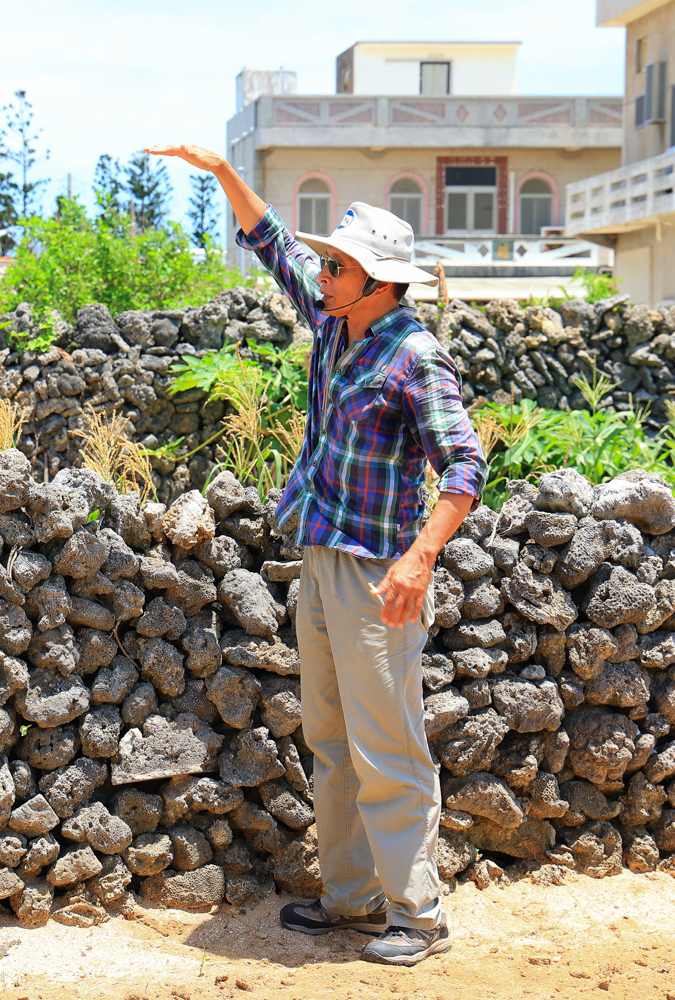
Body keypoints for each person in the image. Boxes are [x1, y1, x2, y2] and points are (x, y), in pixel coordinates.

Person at [146, 144, 487, 967]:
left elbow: (465, 465)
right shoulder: (337, 325)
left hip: (379, 575)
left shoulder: (415, 355)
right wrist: (223, 172)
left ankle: (419, 911)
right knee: (333, 738)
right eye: (329, 262)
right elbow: (273, 245)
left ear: (378, 281)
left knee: (387, 744)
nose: (324, 271)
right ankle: (350, 897)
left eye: (339, 264)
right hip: (324, 557)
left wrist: (419, 560)